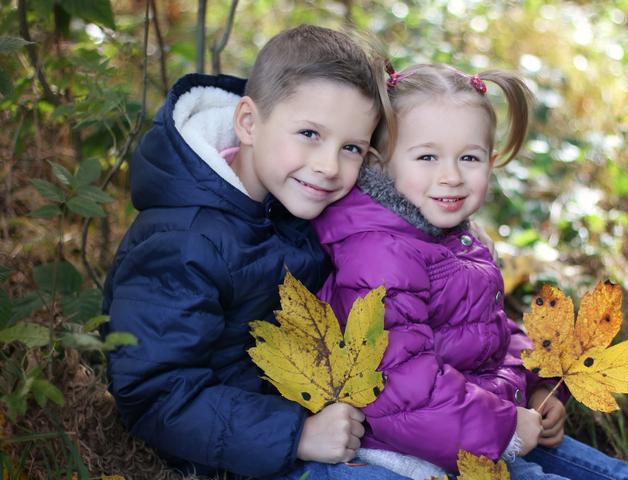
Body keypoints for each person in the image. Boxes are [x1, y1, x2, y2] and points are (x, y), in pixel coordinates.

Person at [312, 62, 628, 480]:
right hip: (408, 448)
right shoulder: (381, 252)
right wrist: (504, 427)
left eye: (468, 158)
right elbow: (401, 387)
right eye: (427, 157)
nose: (451, 176)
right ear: (381, 163)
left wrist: (536, 385)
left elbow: (489, 332)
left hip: (478, 420)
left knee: (604, 469)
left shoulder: (451, 236)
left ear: (490, 162)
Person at [101, 25, 411, 480]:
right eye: (309, 133)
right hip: (239, 452)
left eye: (351, 148)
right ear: (248, 123)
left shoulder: (291, 199)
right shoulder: (184, 242)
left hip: (317, 413)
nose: (329, 166)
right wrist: (296, 436)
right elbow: (155, 393)